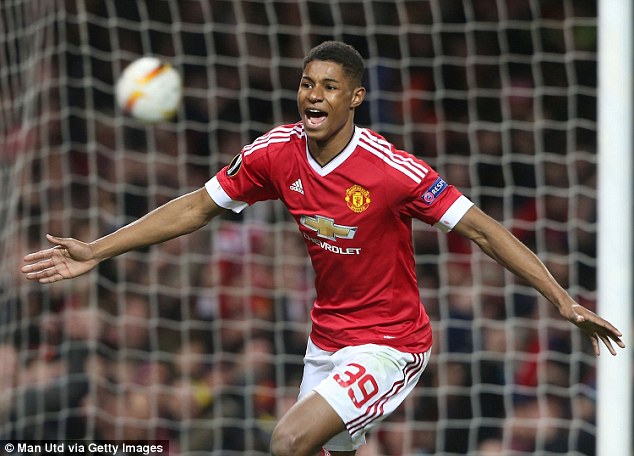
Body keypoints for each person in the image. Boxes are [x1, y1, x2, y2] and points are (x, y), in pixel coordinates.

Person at [21, 41, 624, 456]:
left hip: (391, 344)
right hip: (325, 341)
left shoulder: (393, 171)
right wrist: (98, 250)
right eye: (307, 84)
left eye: (329, 87)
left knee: (287, 441)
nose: (313, 96)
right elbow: (196, 208)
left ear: (355, 98)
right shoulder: (275, 153)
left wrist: (563, 300)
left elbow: (485, 231)